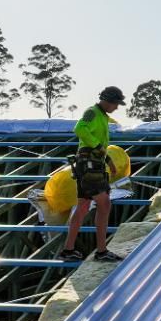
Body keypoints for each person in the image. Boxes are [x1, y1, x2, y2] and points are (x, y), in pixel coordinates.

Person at [60, 86, 126, 262]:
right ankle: (102, 251)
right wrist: (97, 148)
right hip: (89, 165)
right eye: (115, 103)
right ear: (107, 100)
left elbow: (98, 145)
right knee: (104, 204)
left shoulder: (102, 116)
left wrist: (108, 161)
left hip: (91, 163)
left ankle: (68, 250)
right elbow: (79, 129)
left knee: (82, 207)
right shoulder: (92, 112)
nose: (116, 107)